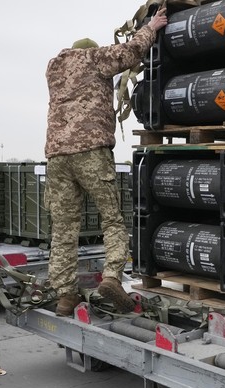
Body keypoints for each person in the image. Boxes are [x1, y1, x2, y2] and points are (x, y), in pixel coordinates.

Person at [43, 8, 168, 317]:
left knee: (63, 229)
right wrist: (151, 27)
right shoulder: (94, 58)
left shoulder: (54, 68)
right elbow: (130, 52)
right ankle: (111, 276)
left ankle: (65, 296)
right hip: (91, 151)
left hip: (57, 156)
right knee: (111, 218)